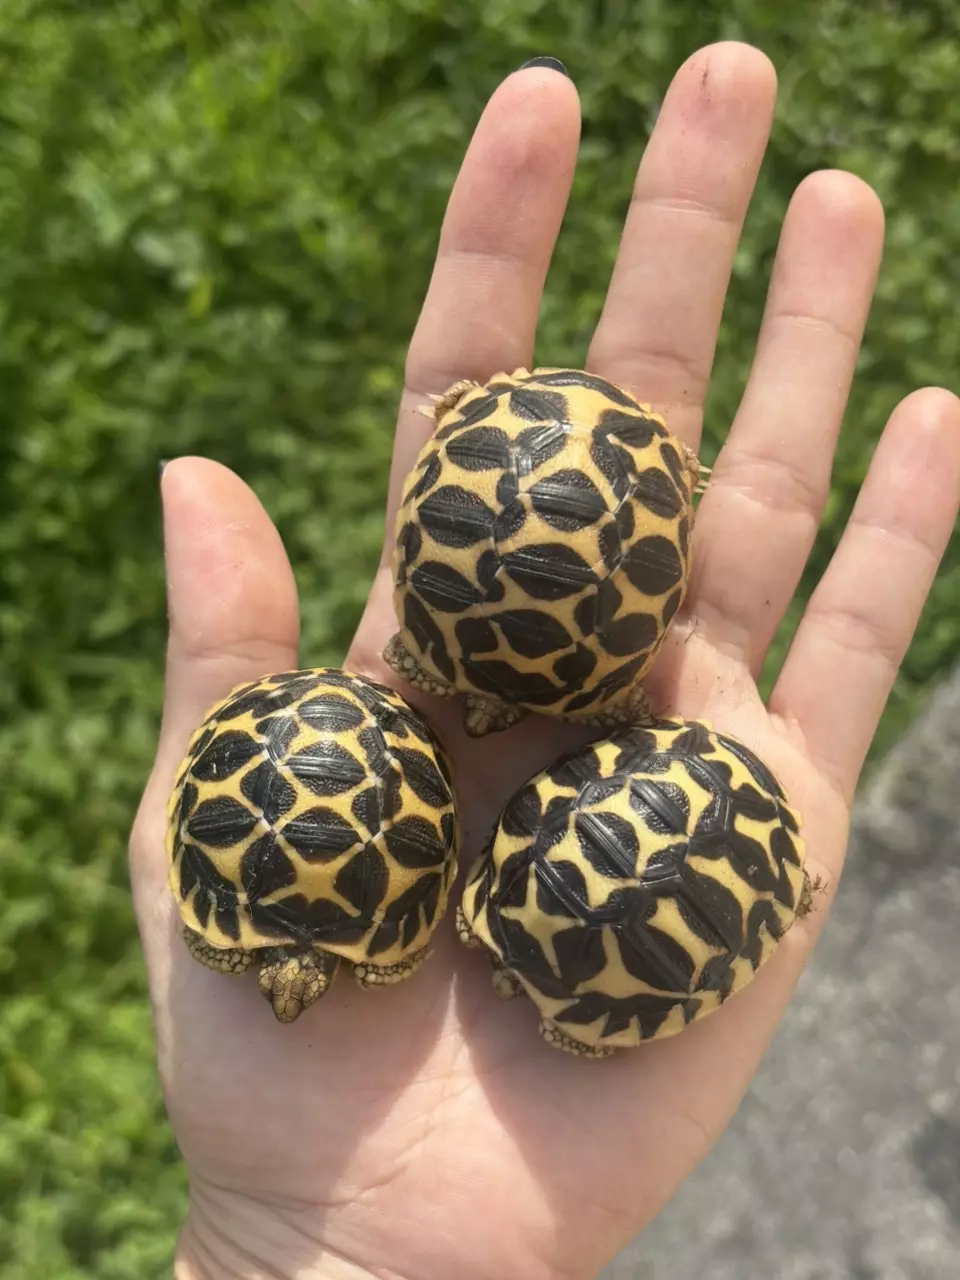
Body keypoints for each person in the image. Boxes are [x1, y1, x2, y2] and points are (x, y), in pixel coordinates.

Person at [130, 42, 960, 1280]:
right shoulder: (477, 888)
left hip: (555, 708)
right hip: (557, 706)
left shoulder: (458, 878)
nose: (296, 994)